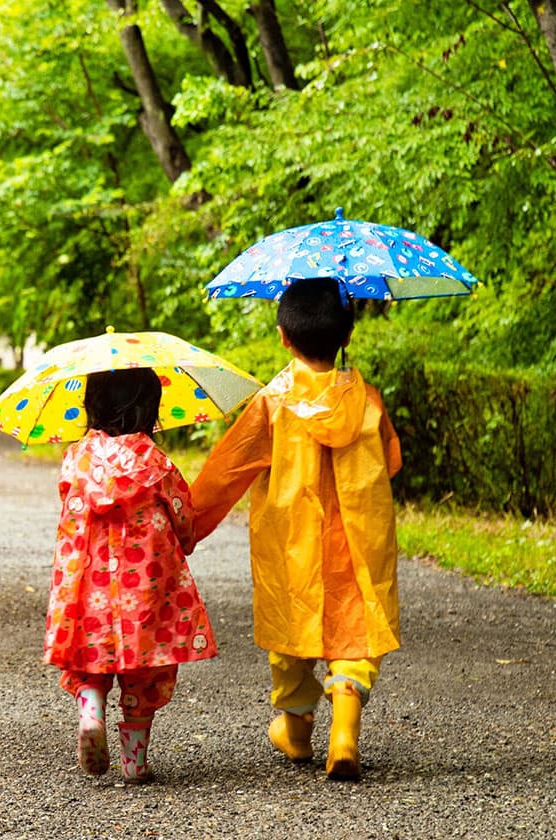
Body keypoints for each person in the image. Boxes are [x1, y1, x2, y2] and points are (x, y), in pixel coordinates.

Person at [190, 277, 402, 781]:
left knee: (290, 631)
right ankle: (344, 726)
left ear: (283, 336)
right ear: (348, 334)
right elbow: (391, 462)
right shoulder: (369, 401)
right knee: (355, 631)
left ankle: (297, 730)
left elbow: (227, 472)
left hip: (292, 544)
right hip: (356, 543)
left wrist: (187, 526)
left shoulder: (271, 403)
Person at [44, 366, 218, 783]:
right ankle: (134, 762)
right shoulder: (156, 463)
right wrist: (185, 539)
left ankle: (91, 711)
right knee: (146, 668)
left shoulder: (76, 460)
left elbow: (69, 511)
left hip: (89, 586)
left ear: (91, 406)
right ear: (150, 409)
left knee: (90, 655)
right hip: (145, 587)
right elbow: (184, 519)